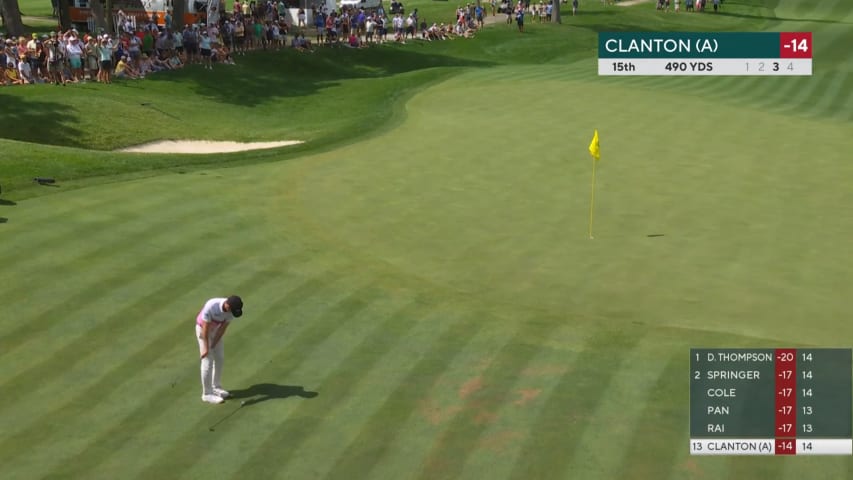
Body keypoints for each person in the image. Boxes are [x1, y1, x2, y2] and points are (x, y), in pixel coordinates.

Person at [195, 295, 244, 404]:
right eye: (231, 310)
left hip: (215, 331)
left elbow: (222, 330)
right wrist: (206, 348)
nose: (232, 313)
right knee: (207, 361)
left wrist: (213, 345)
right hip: (202, 330)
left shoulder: (232, 312)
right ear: (227, 305)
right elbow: (205, 329)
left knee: (220, 358)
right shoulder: (212, 306)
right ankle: (207, 394)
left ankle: (216, 387)